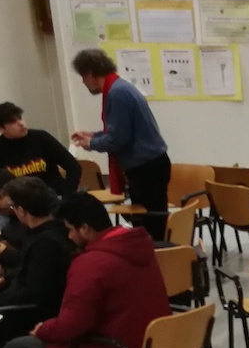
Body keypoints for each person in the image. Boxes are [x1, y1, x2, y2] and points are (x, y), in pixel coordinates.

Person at [3, 194, 171, 348]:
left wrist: (43, 329)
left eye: (70, 230)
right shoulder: (138, 245)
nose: (69, 237)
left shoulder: (91, 264)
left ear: (85, 228)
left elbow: (71, 326)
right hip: (154, 342)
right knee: (98, 318)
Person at [69, 48, 172, 240]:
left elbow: (118, 139)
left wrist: (91, 143)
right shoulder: (120, 87)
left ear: (90, 74)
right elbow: (119, 131)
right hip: (149, 164)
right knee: (145, 222)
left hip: (146, 168)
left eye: (83, 77)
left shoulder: (117, 93)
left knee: (151, 226)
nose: (83, 82)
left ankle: (157, 255)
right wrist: (93, 135)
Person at [0, 177, 74, 345]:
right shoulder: (50, 231)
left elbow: (32, 292)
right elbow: (28, 270)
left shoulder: (45, 243)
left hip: (30, 316)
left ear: (21, 210)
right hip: (25, 306)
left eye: (12, 207)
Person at [0, 101, 81, 197]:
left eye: (20, 118)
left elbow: (74, 167)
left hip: (52, 197)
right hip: (18, 202)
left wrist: (67, 197)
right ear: (1, 129)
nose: (21, 123)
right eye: (13, 122)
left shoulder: (42, 138)